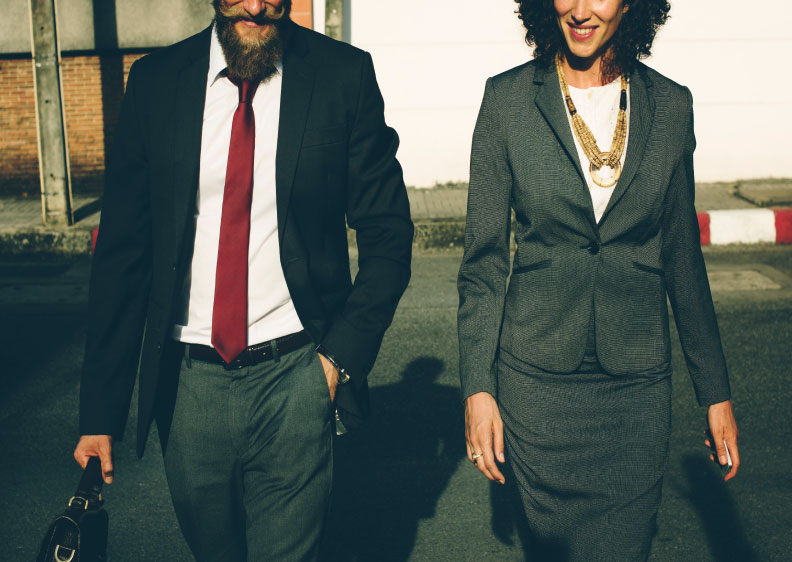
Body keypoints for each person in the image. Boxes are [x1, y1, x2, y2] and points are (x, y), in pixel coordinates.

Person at [72, 0, 413, 560]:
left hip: (296, 376)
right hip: (188, 388)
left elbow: (389, 233)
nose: (256, 6)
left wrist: (336, 362)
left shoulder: (341, 76)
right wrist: (99, 416)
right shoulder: (155, 83)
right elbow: (123, 258)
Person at [458, 0, 740, 559]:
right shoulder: (507, 100)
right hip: (536, 389)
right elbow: (484, 264)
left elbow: (683, 260)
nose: (581, 10)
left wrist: (715, 393)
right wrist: (478, 388)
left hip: (633, 395)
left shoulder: (671, 106)